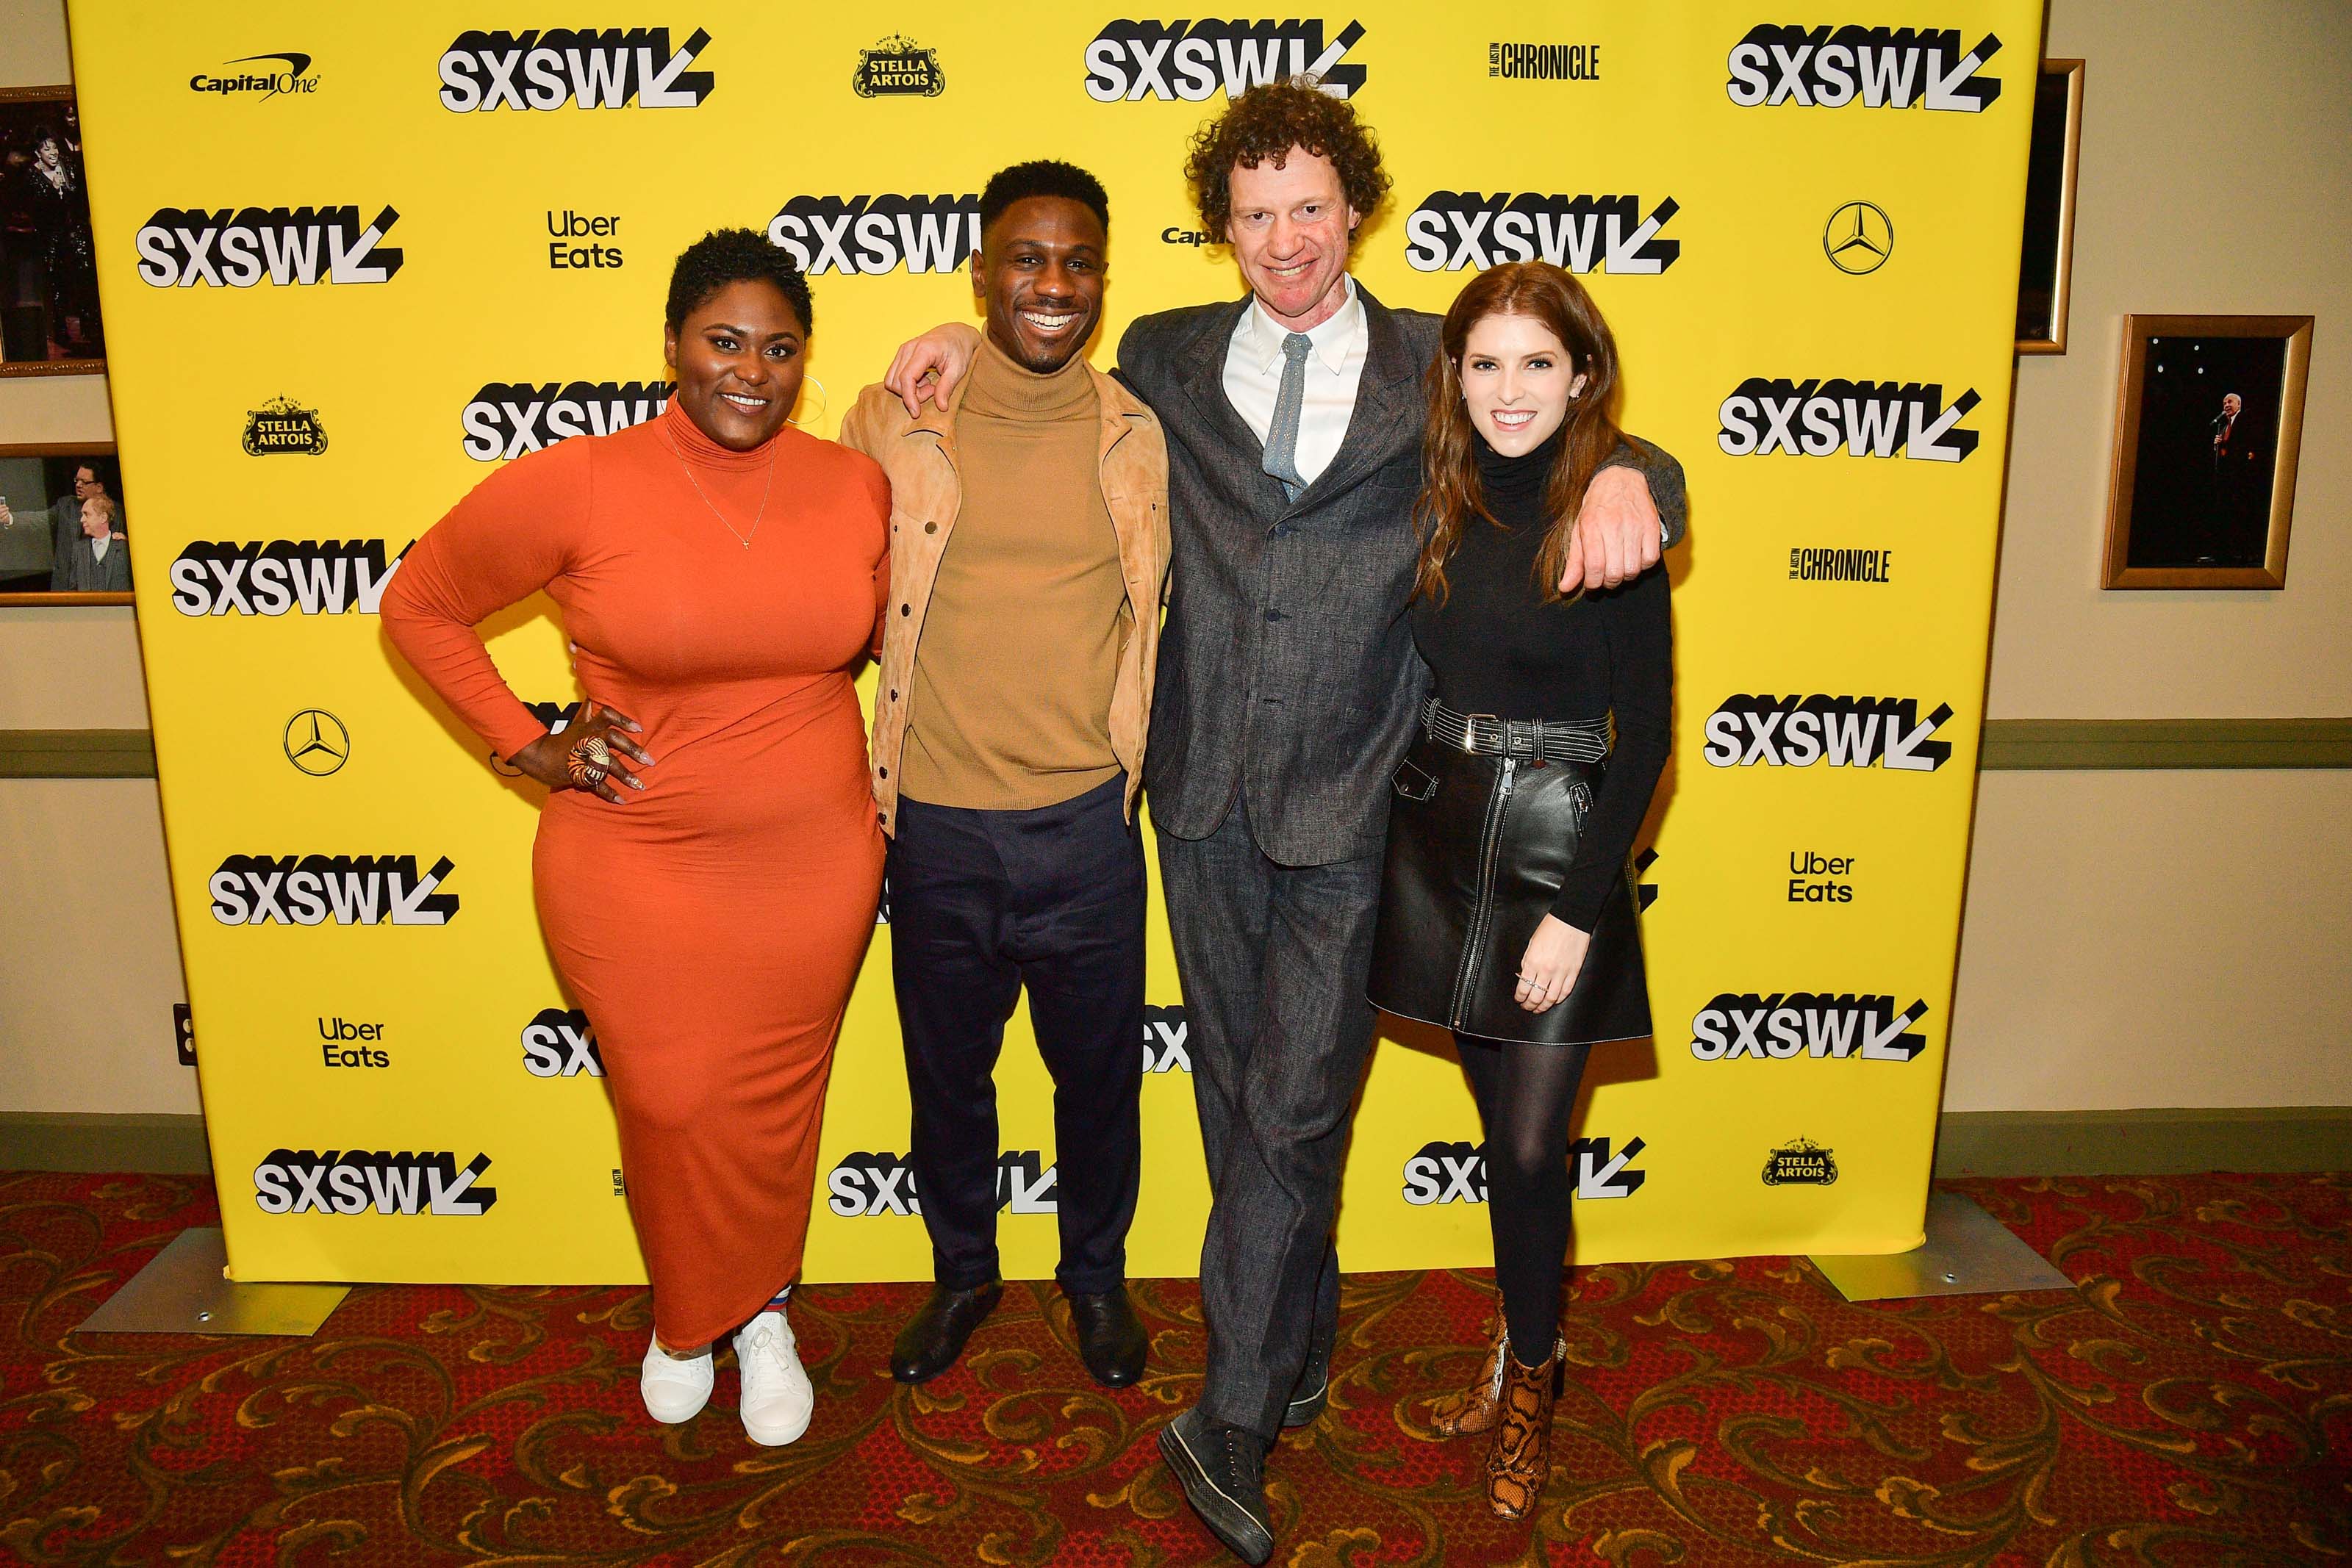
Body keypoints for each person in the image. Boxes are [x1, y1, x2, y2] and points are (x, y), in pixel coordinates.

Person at [882, 79, 1685, 1564]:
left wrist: (1647, 473)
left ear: (1354, 207)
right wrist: (931, 343)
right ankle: (1300, 1344)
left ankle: (1231, 1413)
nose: (1283, 238)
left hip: (1356, 799)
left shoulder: (1431, 364)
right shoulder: (1162, 355)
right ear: (1219, 227)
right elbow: (1022, 380)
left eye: (1307, 207)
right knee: (1240, 1098)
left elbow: (1557, 421)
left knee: (1298, 1104)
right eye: (1252, 215)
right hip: (1192, 798)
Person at [380, 231, 889, 1449]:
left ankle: (759, 1309)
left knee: (771, 1100)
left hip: (812, 854)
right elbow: (420, 602)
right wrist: (526, 740)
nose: (750, 370)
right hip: (635, 849)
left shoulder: (853, 482)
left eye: (779, 347)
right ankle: (685, 1315)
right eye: (723, 340)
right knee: (668, 1096)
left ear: (805, 361)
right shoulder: (580, 480)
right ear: (671, 345)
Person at [838, 161, 1170, 1391]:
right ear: (978, 273)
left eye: (1078, 260)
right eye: (1025, 258)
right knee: (947, 1082)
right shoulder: (890, 417)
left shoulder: (1140, 430)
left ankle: (1095, 1274)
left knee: (1097, 1083)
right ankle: (964, 1268)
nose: (1052, 283)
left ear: (1102, 278)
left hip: (1086, 823)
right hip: (934, 827)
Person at [1365, 261, 1671, 1522]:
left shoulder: (1614, 515)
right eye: (1483, 361)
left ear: (1583, 375)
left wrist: (1578, 909)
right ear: (1453, 374)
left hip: (1561, 846)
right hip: (1439, 841)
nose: (1507, 389)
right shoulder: (1430, 501)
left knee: (1537, 1144)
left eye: (1537, 362)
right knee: (1503, 1139)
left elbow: (1645, 733)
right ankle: (1515, 1338)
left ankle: (1537, 1375)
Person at [0, 461, 125, 591]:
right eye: (77, 480)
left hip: (103, 591)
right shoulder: (66, 506)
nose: (78, 485)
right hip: (64, 587)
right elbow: (39, 520)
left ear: (99, 487)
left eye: (84, 482)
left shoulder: (117, 512)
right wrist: (10, 518)